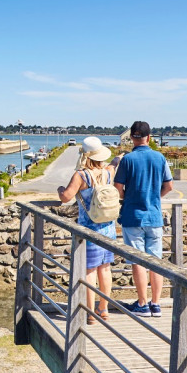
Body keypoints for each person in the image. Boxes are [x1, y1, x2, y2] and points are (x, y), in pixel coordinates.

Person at [113, 121, 173, 318]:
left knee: (137, 261)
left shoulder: (127, 160)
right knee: (156, 261)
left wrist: (127, 198)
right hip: (154, 216)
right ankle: (156, 304)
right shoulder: (159, 157)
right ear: (149, 137)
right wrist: (155, 197)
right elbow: (169, 186)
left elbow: (118, 187)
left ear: (132, 137)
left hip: (132, 216)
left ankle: (142, 303)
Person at [58, 137, 116, 325]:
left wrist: (60, 189)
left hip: (89, 229)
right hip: (108, 228)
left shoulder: (81, 176)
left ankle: (90, 313)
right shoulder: (107, 173)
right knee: (105, 269)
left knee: (90, 271)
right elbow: (115, 164)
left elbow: (66, 197)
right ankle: (104, 309)